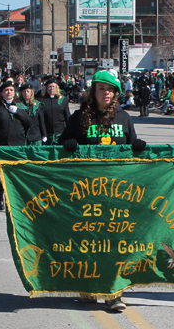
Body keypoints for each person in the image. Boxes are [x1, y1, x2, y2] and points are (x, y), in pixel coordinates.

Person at [58, 69, 146, 312]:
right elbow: (58, 146)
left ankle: (113, 293)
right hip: (86, 191)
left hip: (118, 192)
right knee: (88, 242)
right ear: (93, 92)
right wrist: (67, 144)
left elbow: (132, 149)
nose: (106, 93)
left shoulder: (125, 118)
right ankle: (87, 288)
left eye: (110, 89)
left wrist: (137, 147)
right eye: (101, 89)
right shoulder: (79, 118)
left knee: (116, 243)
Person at [0, 81, 32, 209]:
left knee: (15, 174)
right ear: (1, 93)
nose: (9, 92)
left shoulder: (21, 106)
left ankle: (13, 199)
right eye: (6, 90)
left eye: (11, 90)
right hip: (1, 145)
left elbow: (29, 123)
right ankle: (0, 197)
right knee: (0, 174)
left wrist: (18, 112)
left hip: (17, 145)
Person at [37, 78, 70, 144]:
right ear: (46, 88)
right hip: (47, 134)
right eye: (49, 86)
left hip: (60, 134)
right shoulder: (41, 101)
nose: (52, 88)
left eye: (53, 86)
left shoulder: (62, 100)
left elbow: (67, 117)